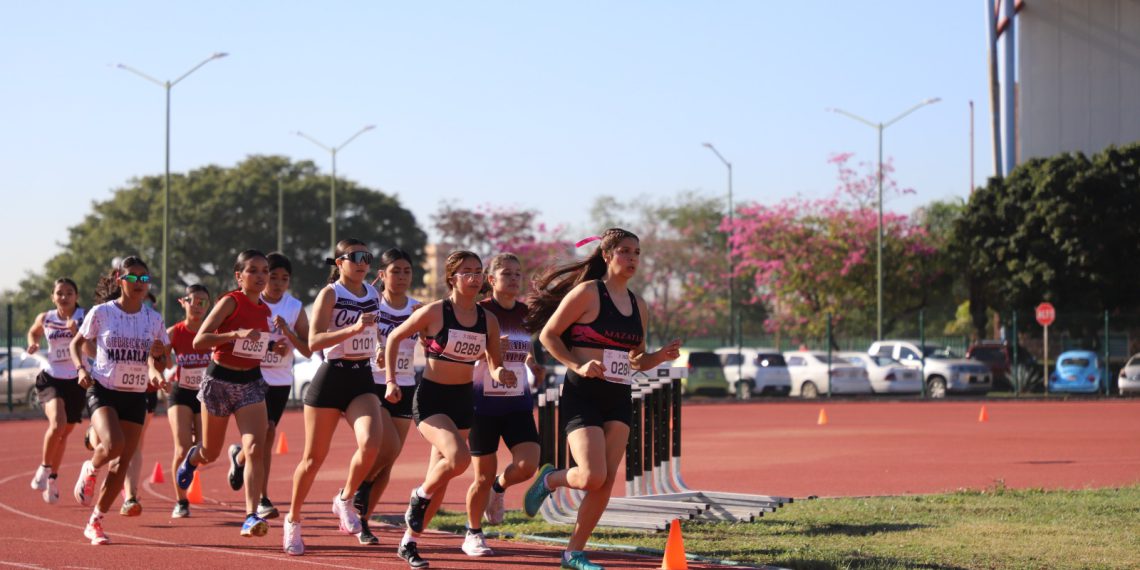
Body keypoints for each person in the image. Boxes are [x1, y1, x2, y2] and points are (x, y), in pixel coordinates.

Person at [522, 229, 681, 570]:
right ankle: (550, 479)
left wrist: (660, 356)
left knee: (606, 480)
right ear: (607, 255)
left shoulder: (639, 305)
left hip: (619, 395)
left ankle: (573, 553)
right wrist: (577, 363)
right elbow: (548, 335)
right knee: (593, 475)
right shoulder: (587, 293)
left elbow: (636, 360)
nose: (632, 258)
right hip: (583, 392)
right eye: (625, 251)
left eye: (637, 252)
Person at [383, 250, 515, 568]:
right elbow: (393, 338)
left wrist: (502, 373)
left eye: (479, 271)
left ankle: (409, 542)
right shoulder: (434, 312)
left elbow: (493, 364)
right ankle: (419, 494)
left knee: (440, 482)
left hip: (462, 400)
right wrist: (390, 381)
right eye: (467, 271)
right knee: (458, 459)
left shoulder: (489, 320)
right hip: (431, 399)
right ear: (452, 277)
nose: (475, 277)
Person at [283, 239, 385, 556]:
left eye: (366, 257)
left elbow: (377, 332)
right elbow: (313, 341)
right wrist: (352, 330)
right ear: (339, 262)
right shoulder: (331, 293)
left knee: (371, 443)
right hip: (331, 378)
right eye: (354, 257)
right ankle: (293, 522)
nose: (362, 262)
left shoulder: (373, 293)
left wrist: (380, 347)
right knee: (313, 459)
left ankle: (344, 498)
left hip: (361, 377)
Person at [70, 257, 169, 545]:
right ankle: (90, 468)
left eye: (144, 278)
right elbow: (77, 343)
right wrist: (80, 369)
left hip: (136, 394)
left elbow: (159, 360)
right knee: (114, 445)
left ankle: (95, 521)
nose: (139, 284)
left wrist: (159, 361)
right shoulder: (102, 313)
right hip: (104, 388)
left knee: (122, 462)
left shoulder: (154, 319)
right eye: (133, 278)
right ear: (119, 278)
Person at [176, 250, 273, 538]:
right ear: (239, 276)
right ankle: (192, 458)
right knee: (210, 452)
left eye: (264, 271)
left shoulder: (265, 309)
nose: (260, 276)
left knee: (256, 447)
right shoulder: (230, 302)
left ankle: (251, 516)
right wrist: (234, 334)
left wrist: (270, 347)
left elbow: (254, 346)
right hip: (219, 380)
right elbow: (200, 339)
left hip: (252, 383)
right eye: (253, 270)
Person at [462, 253, 546, 556]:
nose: (513, 278)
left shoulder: (525, 313)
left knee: (528, 464)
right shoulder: (479, 311)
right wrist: (490, 351)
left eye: (517, 274)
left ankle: (499, 488)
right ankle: (473, 533)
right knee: (480, 477)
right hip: (482, 405)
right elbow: (466, 355)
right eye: (506, 273)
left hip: (517, 403)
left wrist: (532, 364)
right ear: (491, 280)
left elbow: (524, 349)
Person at [226, 252, 311, 521]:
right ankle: (262, 497)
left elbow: (308, 349)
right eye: (272, 277)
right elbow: (236, 340)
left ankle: (240, 458)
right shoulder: (251, 302)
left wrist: (287, 333)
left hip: (280, 379)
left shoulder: (294, 307)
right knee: (266, 432)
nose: (277, 283)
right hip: (254, 375)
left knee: (267, 437)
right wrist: (265, 344)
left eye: (284, 279)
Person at [352, 248, 421, 546]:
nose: (402, 276)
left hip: (405, 385)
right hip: (373, 383)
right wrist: (375, 350)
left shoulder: (419, 309)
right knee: (387, 446)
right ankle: (357, 488)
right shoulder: (372, 305)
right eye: (396, 271)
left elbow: (435, 339)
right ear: (382, 275)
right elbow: (354, 337)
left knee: (389, 460)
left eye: (407, 271)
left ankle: (364, 520)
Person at [27, 278, 86, 504]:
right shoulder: (46, 318)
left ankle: (52, 479)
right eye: (60, 293)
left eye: (69, 292)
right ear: (53, 297)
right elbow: (34, 332)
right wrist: (33, 343)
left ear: (76, 296)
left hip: (77, 380)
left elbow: (92, 343)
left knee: (64, 434)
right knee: (57, 424)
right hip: (51, 376)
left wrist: (77, 331)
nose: (64, 297)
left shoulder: (84, 316)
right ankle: (43, 468)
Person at [165, 284, 212, 518]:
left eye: (204, 301)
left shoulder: (212, 332)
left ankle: (187, 471)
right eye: (194, 300)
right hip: (181, 393)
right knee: (182, 447)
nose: (198, 306)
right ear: (184, 302)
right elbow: (158, 359)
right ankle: (181, 501)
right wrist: (160, 371)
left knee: (203, 449)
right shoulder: (174, 332)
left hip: (205, 395)